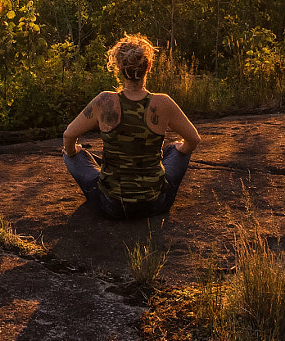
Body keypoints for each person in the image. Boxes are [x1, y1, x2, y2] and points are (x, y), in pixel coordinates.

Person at [61, 33, 202, 219]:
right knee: (175, 151)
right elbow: (193, 139)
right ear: (149, 67)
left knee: (72, 156)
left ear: (119, 67)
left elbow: (69, 135)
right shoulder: (163, 103)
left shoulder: (104, 101)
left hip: (111, 205)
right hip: (154, 204)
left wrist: (73, 152)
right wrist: (180, 147)